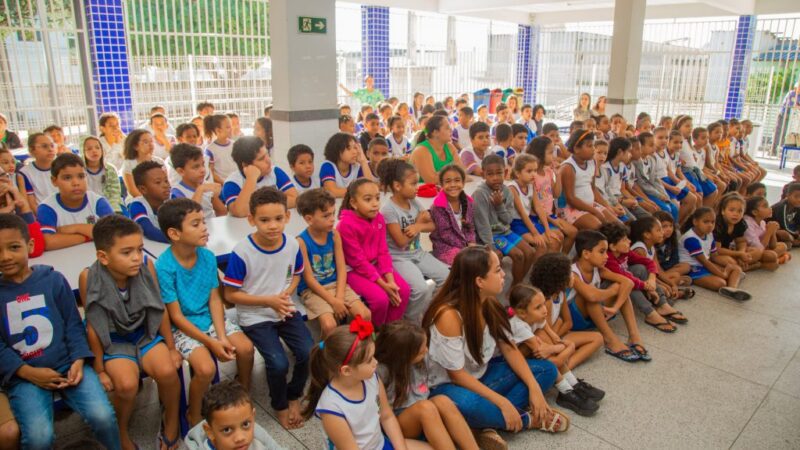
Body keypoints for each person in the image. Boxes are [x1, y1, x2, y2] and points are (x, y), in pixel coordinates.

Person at [0, 213, 121, 450]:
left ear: (30, 245)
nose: (5, 257)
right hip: (25, 376)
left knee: (103, 416)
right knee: (38, 437)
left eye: (14, 247)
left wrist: (77, 360)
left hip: (69, 365)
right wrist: (28, 373)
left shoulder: (53, 280)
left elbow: (73, 324)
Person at [421, 246, 567, 433]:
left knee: (546, 370)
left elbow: (509, 348)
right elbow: (457, 375)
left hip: (481, 378)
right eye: (497, 270)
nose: (503, 275)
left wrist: (534, 388)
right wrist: (501, 401)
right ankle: (525, 420)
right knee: (469, 404)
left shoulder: (489, 301)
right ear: (479, 281)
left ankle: (488, 424)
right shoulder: (448, 315)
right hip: (450, 388)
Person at [80, 215, 182, 450]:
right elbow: (93, 325)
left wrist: (170, 347)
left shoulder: (146, 266)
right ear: (103, 256)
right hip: (114, 341)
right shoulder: (89, 277)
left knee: (168, 371)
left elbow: (159, 308)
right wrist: (99, 369)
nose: (136, 257)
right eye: (127, 252)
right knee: (126, 385)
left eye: (139, 249)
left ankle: (172, 421)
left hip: (143, 334)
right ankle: (121, 431)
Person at [156, 198, 255, 427]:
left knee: (246, 349)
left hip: (211, 318)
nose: (204, 227)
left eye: (203, 221)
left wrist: (220, 337)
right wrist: (210, 343)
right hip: (183, 326)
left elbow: (214, 299)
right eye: (196, 223)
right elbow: (176, 316)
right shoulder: (164, 266)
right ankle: (195, 412)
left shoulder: (207, 256)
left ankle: (241, 396)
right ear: (174, 233)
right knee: (206, 368)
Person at [223, 187, 312, 430]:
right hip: (255, 316)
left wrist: (285, 292)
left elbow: (296, 274)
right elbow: (230, 294)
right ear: (251, 220)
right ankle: (280, 405)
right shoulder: (242, 252)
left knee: (307, 352)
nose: (273, 226)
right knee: (278, 362)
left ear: (287, 217)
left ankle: (293, 394)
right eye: (264, 220)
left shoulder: (292, 244)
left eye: (278, 219)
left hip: (283, 308)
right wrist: (268, 300)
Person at [303, 321, 430, 450]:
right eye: (369, 360)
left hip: (380, 444)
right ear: (346, 370)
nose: (376, 362)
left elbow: (387, 417)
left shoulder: (372, 378)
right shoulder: (332, 408)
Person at [375, 321, 485, 450]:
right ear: (404, 355)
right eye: (421, 351)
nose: (426, 351)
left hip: (427, 416)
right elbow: (384, 415)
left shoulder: (420, 361)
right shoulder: (382, 372)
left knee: (442, 400)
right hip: (400, 423)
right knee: (425, 408)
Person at [507, 285, 601, 417]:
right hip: (508, 364)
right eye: (538, 307)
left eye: (543, 304)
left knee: (543, 337)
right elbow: (555, 361)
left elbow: (555, 340)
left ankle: (573, 384)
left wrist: (554, 347)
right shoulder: (519, 326)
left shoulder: (535, 318)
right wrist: (569, 347)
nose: (545, 310)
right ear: (522, 313)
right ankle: (565, 391)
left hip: (528, 353)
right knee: (547, 354)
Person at [378, 159, 449, 323]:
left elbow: (432, 225)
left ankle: (427, 311)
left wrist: (418, 227)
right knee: (421, 289)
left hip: (417, 253)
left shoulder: (414, 202)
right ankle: (409, 321)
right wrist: (417, 224)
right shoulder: (388, 210)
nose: (417, 188)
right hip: (399, 257)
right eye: (413, 183)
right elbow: (401, 241)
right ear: (397, 186)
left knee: (447, 278)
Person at [296, 189, 371, 338]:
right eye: (326, 216)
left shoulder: (334, 234)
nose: (332, 219)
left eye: (333, 213)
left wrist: (340, 296)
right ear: (309, 219)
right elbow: (309, 280)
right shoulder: (301, 242)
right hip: (313, 290)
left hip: (336, 284)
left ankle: (356, 350)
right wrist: (333, 301)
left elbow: (342, 268)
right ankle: (328, 356)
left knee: (365, 314)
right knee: (329, 325)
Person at [337, 179, 411, 325]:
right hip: (353, 271)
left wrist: (390, 281)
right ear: (353, 203)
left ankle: (389, 332)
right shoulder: (345, 225)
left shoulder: (379, 219)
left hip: (375, 266)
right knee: (380, 299)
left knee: (403, 290)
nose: (375, 203)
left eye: (377, 198)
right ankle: (374, 335)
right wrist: (384, 286)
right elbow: (358, 262)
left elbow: (383, 251)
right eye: (368, 199)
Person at [568, 230, 645, 363]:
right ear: (586, 253)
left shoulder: (599, 269)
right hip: (574, 321)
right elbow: (591, 296)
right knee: (592, 296)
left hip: (593, 316)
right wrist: (613, 291)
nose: (607, 256)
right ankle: (610, 340)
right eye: (601, 251)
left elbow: (628, 282)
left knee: (620, 289)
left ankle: (634, 335)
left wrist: (615, 307)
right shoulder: (572, 273)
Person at [599, 222, 687, 334]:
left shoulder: (625, 253)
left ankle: (662, 304)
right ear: (612, 246)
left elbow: (648, 262)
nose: (629, 242)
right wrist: (646, 286)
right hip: (608, 292)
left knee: (640, 268)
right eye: (625, 240)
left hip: (627, 282)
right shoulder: (609, 260)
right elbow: (624, 277)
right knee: (629, 282)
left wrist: (651, 279)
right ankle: (650, 313)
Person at [529, 253, 604, 369]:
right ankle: (561, 366)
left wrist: (559, 332)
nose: (573, 276)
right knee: (568, 344)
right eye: (570, 273)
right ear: (559, 278)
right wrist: (559, 332)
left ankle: (568, 366)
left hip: (556, 336)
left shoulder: (561, 294)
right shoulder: (546, 301)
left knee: (597, 337)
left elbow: (569, 322)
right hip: (543, 340)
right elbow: (544, 331)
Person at [473, 154, 536, 286]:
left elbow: (508, 220)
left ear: (505, 172)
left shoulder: (507, 191)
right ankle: (515, 288)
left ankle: (518, 285)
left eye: (499, 173)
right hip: (493, 235)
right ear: (483, 175)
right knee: (518, 256)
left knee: (530, 252)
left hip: (506, 232)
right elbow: (483, 225)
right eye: (490, 174)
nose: (495, 178)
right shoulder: (480, 194)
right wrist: (491, 247)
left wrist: (499, 205)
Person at [37, 153, 113, 250]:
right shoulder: (47, 208)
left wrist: (77, 228)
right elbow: (48, 242)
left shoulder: (97, 202)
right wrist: (88, 235)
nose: (76, 183)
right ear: (54, 181)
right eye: (67, 178)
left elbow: (114, 233)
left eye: (81, 176)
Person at [186, 380, 284, 450]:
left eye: (245, 424)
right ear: (209, 431)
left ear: (253, 416)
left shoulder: (256, 431)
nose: (240, 437)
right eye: (227, 430)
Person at [678, 207, 751, 300]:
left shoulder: (709, 234)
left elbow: (714, 256)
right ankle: (729, 283)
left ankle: (732, 289)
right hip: (692, 269)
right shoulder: (690, 238)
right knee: (720, 283)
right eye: (706, 222)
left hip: (705, 264)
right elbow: (704, 262)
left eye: (712, 222)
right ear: (695, 222)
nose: (710, 225)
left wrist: (726, 265)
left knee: (736, 268)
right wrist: (723, 274)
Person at [223, 136, 296, 217]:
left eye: (267, 154)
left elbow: (294, 199)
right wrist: (251, 178)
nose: (268, 160)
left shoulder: (275, 172)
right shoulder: (232, 183)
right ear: (246, 165)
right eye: (261, 159)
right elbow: (241, 212)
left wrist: (257, 205)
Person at [526, 137, 577, 253]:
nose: (553, 156)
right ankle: (551, 266)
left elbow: (556, 194)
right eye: (550, 152)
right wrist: (551, 220)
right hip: (537, 217)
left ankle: (561, 261)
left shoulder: (548, 171)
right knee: (557, 238)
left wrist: (557, 174)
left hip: (548, 214)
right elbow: (534, 205)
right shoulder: (532, 176)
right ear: (539, 154)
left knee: (573, 232)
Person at [560, 130, 617, 230]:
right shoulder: (568, 167)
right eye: (590, 146)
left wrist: (607, 206)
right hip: (572, 209)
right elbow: (571, 199)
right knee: (600, 228)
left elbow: (593, 189)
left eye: (593, 146)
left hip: (590, 205)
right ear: (577, 149)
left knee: (617, 226)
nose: (593, 149)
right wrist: (594, 211)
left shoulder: (592, 163)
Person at [630, 216, 694, 300]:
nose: (662, 233)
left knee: (670, 282)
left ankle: (674, 291)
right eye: (659, 230)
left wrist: (672, 284)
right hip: (639, 280)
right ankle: (676, 294)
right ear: (647, 234)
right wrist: (665, 285)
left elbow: (658, 270)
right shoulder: (640, 250)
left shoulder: (651, 247)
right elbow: (646, 275)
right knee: (664, 289)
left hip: (650, 278)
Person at [509, 154, 561, 253]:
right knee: (542, 244)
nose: (534, 174)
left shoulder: (530, 185)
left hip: (527, 221)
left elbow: (538, 208)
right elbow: (522, 214)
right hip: (516, 223)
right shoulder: (512, 188)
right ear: (517, 173)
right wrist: (536, 234)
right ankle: (538, 268)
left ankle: (551, 267)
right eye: (529, 171)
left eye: (535, 170)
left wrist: (547, 230)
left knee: (555, 240)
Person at [714, 192, 779, 272]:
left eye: (740, 211)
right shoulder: (718, 224)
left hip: (731, 250)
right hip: (715, 253)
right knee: (730, 262)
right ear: (723, 211)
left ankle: (739, 267)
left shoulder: (740, 223)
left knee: (757, 251)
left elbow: (741, 241)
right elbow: (718, 250)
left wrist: (742, 252)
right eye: (731, 210)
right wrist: (739, 254)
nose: (735, 214)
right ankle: (751, 266)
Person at [429, 164, 476, 266]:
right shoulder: (438, 206)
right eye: (448, 181)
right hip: (444, 247)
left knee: (482, 260)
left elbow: (470, 227)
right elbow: (445, 234)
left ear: (463, 183)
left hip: (465, 245)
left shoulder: (468, 202)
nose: (453, 185)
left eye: (457, 180)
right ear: (441, 184)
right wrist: (466, 247)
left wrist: (471, 242)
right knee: (468, 263)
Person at [169, 144, 226, 220]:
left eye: (203, 164)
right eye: (196, 167)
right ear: (181, 171)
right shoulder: (177, 192)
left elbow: (222, 212)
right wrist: (200, 189)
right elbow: (190, 218)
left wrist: (215, 196)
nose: (202, 170)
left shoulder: (206, 185)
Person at [636, 132, 680, 221]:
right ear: (641, 146)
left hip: (655, 190)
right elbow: (642, 184)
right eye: (651, 145)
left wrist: (663, 194)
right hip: (645, 192)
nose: (654, 147)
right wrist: (659, 195)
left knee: (674, 208)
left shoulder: (652, 159)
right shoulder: (636, 163)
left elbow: (656, 179)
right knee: (665, 209)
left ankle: (672, 231)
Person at [410, 115, 465, 184]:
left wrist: (441, 175)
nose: (451, 130)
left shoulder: (449, 146)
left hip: (444, 190)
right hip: (421, 193)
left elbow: (462, 171)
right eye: (447, 127)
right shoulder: (421, 150)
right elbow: (431, 180)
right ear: (435, 132)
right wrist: (454, 174)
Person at [320, 132, 373, 198]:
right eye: (349, 148)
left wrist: (363, 162)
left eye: (355, 148)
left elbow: (370, 188)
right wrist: (360, 192)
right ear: (337, 150)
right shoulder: (328, 166)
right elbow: (332, 192)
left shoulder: (357, 166)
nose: (354, 152)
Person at [129, 160, 170, 243]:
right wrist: (178, 240)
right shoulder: (137, 205)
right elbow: (149, 231)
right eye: (158, 182)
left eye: (166, 181)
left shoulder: (171, 202)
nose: (166, 185)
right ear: (143, 189)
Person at [17, 133, 57, 213]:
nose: (50, 149)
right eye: (44, 146)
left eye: (52, 146)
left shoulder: (62, 167)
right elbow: (31, 204)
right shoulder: (25, 173)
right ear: (32, 150)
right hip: (42, 215)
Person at [744, 195, 790, 264]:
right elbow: (759, 248)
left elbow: (772, 246)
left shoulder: (762, 222)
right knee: (771, 256)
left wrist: (773, 232)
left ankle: (774, 260)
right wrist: (769, 232)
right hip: (750, 251)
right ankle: (773, 260)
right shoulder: (747, 223)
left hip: (762, 248)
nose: (770, 208)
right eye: (765, 206)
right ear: (755, 212)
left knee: (783, 246)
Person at [82, 136, 122, 213]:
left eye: (97, 147)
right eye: (89, 149)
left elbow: (114, 193)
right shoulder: (80, 171)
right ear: (83, 152)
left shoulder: (110, 169)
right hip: (88, 206)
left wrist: (110, 210)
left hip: (110, 205)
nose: (94, 151)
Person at [120, 129, 161, 198]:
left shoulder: (159, 161)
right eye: (146, 142)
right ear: (135, 146)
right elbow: (133, 191)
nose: (151, 145)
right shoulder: (128, 164)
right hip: (137, 200)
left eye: (151, 141)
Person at [652, 210, 691, 281]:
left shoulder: (672, 240)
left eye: (671, 226)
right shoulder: (653, 242)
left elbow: (675, 259)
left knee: (686, 266)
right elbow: (654, 264)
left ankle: (666, 278)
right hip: (655, 270)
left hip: (667, 268)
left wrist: (666, 268)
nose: (669, 229)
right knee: (676, 275)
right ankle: (671, 279)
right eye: (664, 226)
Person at [204, 114, 236, 183]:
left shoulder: (234, 144)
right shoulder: (210, 150)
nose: (231, 129)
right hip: (223, 185)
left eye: (231, 126)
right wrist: (224, 183)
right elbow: (211, 172)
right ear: (218, 130)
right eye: (228, 127)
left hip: (237, 182)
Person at [773, 82, 800, 154]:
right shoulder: (791, 93)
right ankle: (773, 149)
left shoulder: (799, 95)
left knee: (785, 133)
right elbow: (792, 105)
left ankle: (780, 149)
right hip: (783, 114)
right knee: (778, 132)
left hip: (792, 117)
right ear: (795, 88)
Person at [772, 182, 800, 247]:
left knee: (788, 244)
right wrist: (796, 235)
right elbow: (784, 226)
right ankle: (793, 242)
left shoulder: (797, 206)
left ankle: (792, 242)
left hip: (790, 230)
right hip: (774, 230)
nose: (799, 199)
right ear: (787, 195)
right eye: (796, 196)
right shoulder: (781, 207)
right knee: (785, 234)